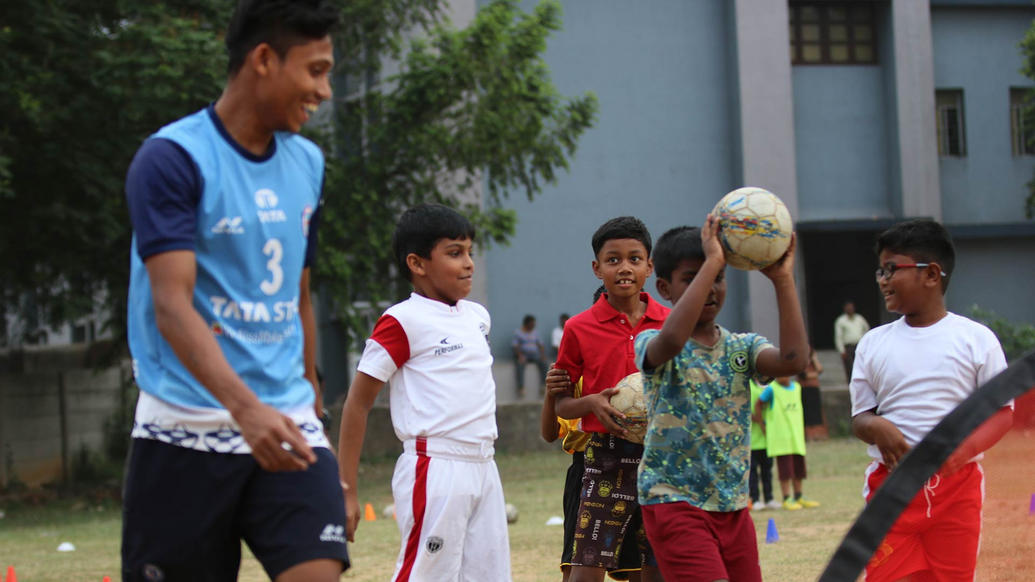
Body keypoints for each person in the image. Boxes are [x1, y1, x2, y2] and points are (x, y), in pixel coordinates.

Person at [121, 2, 347, 580]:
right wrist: (243, 409)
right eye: (316, 70)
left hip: (287, 420)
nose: (324, 90)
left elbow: (299, 292)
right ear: (264, 60)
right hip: (185, 426)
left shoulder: (308, 163)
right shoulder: (173, 158)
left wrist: (311, 391)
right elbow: (170, 305)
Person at [337, 204, 511, 581]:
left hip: (485, 466)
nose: (468, 263)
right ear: (417, 263)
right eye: (454, 253)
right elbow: (358, 403)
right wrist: (346, 489)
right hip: (436, 468)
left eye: (469, 252)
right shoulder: (401, 321)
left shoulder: (477, 316)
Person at [634, 220, 809, 581]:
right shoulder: (653, 341)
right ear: (664, 288)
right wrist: (714, 260)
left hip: (732, 506)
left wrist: (782, 279)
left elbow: (794, 360)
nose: (711, 288)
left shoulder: (741, 348)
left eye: (718, 277)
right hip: (675, 502)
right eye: (694, 277)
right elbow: (670, 343)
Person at [850, 218, 1012, 582]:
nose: (882, 279)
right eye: (880, 270)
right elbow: (860, 416)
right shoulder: (873, 344)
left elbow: (1002, 413)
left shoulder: (976, 340)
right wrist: (876, 427)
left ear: (931, 274)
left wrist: (963, 449)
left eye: (892, 269)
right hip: (890, 489)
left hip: (957, 492)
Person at [549, 216, 670, 582]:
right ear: (596, 268)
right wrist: (591, 404)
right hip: (605, 459)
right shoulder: (578, 327)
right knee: (585, 570)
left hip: (662, 457)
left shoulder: (671, 322)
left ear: (649, 266)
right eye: (613, 259)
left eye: (635, 258)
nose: (625, 268)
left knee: (657, 570)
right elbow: (561, 407)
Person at [541, 286, 642, 582]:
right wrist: (551, 394)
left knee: (640, 569)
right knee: (579, 570)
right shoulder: (575, 374)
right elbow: (549, 433)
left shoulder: (642, 377)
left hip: (638, 464)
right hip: (586, 469)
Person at [754, 376, 820, 510]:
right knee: (785, 470)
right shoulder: (772, 389)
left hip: (796, 436)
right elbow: (758, 404)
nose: (780, 376)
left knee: (798, 469)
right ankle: (786, 497)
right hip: (781, 438)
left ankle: (799, 495)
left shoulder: (797, 387)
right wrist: (762, 425)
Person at [748, 379, 777, 511]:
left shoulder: (769, 387)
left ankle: (769, 498)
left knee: (767, 471)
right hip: (752, 440)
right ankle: (755, 499)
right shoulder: (748, 385)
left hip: (766, 438)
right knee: (753, 472)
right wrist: (757, 419)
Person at [513, 314, 549, 396]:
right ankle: (521, 388)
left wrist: (542, 355)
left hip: (534, 355)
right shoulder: (518, 333)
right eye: (532, 324)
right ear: (526, 324)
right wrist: (519, 355)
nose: (533, 325)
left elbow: (540, 345)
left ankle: (543, 386)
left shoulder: (535, 333)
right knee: (519, 365)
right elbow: (515, 346)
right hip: (523, 355)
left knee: (544, 363)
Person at [834, 300, 869, 382]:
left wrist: (865, 344)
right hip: (848, 347)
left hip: (859, 346)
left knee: (862, 366)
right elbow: (838, 336)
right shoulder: (841, 320)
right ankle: (851, 385)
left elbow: (867, 329)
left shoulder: (859, 318)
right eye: (848, 307)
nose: (850, 309)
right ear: (845, 309)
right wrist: (842, 350)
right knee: (850, 368)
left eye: (851, 307)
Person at [799, 347, 827, 440]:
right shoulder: (801, 363)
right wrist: (815, 374)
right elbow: (805, 375)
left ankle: (819, 435)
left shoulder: (813, 363)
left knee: (817, 412)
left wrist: (814, 359)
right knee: (807, 413)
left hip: (814, 388)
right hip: (805, 389)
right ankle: (809, 436)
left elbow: (820, 369)